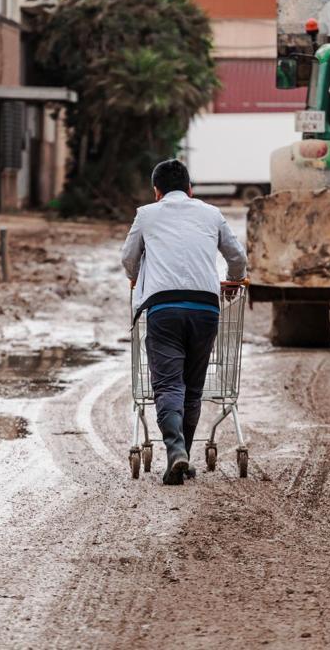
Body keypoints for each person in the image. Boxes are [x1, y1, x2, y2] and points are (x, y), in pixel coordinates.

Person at [121, 159, 247, 485]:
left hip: (164, 309)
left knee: (167, 386)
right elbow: (238, 258)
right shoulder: (211, 213)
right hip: (206, 308)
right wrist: (233, 282)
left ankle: (176, 451)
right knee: (192, 389)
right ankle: (182, 456)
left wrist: (137, 279)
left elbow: (128, 258)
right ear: (190, 190)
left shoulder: (146, 215)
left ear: (157, 192)